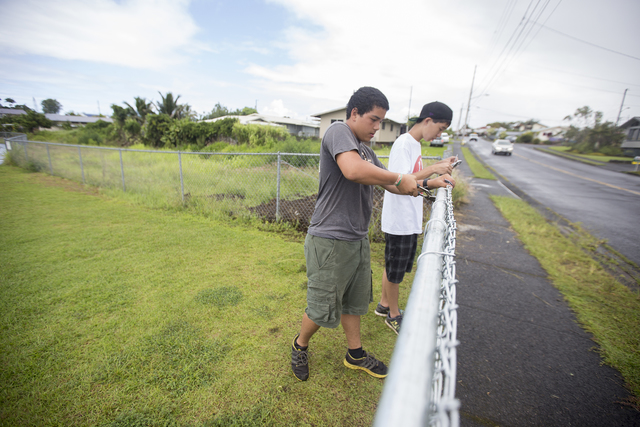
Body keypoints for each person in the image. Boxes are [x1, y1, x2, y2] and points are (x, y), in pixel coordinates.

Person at [290, 88, 455, 381]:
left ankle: (355, 354)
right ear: (354, 113)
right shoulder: (339, 131)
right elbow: (353, 171)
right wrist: (399, 178)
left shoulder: (365, 150)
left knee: (353, 302)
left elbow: (393, 185)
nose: (378, 127)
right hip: (329, 239)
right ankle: (299, 344)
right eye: (374, 119)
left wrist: (431, 182)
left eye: (382, 121)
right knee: (322, 307)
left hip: (357, 238)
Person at [375, 101, 456, 335]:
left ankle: (384, 304)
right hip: (399, 219)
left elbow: (414, 180)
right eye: (440, 128)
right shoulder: (404, 144)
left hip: (408, 217)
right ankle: (394, 315)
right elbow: (400, 180)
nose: (440, 134)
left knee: (394, 265)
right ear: (427, 121)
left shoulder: (415, 145)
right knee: (395, 271)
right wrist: (433, 170)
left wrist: (434, 178)